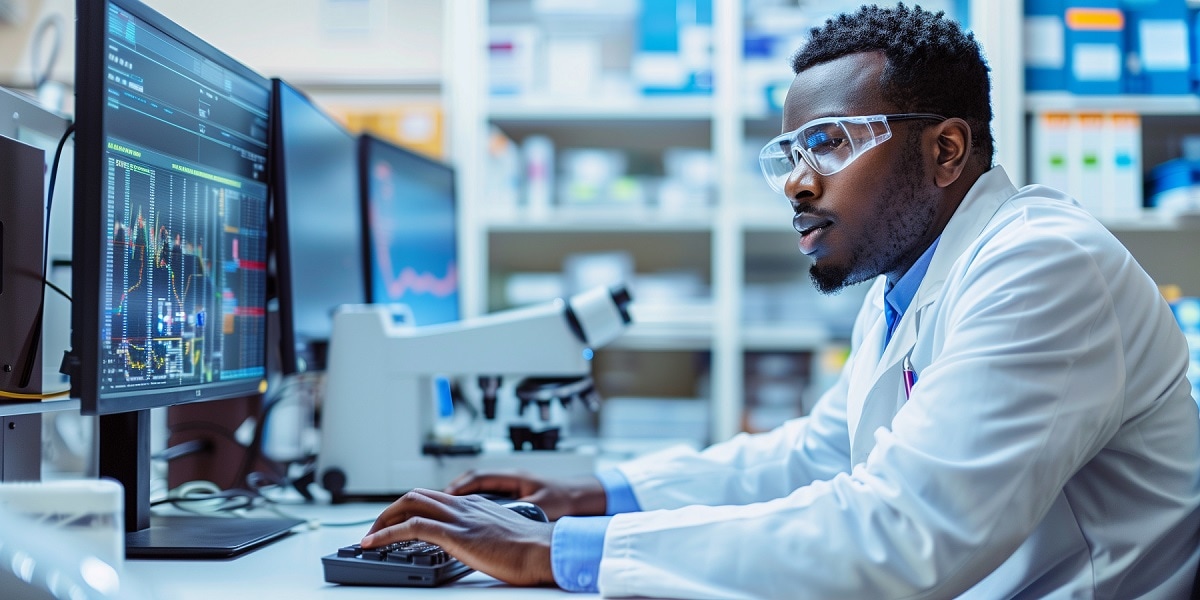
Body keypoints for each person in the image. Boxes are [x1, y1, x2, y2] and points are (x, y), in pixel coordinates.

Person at [362, 4, 1200, 597]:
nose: (797, 181)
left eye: (829, 142)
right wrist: (595, 493)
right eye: (790, 151)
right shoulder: (911, 281)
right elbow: (813, 456)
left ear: (947, 149)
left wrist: (563, 551)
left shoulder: (1043, 265)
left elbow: (902, 537)